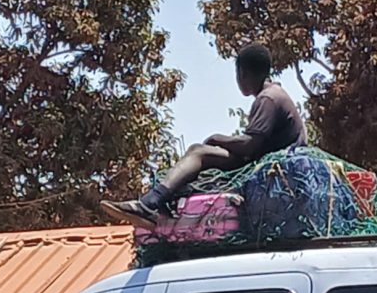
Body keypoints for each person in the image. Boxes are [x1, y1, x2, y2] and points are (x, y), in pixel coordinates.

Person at [101, 43, 307, 228]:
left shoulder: (268, 98)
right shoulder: (274, 94)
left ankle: (149, 203)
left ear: (242, 73)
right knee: (196, 151)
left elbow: (250, 145)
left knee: (199, 152)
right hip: (266, 160)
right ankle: (160, 204)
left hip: (266, 166)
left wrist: (217, 139)